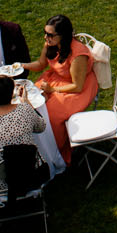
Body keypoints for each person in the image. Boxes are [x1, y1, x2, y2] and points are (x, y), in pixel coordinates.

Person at [28, 14, 99, 164]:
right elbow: (41, 64)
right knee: (30, 103)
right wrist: (19, 66)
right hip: (55, 80)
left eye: (50, 34)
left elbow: (77, 86)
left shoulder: (78, 54)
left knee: (52, 116)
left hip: (76, 89)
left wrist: (52, 90)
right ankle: (34, 147)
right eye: (45, 33)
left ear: (63, 35)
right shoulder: (50, 43)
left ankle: (54, 154)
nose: (46, 37)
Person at [0, 76, 48, 202]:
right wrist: (26, 102)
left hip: (0, 180)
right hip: (30, 174)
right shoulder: (24, 110)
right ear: (11, 94)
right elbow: (41, 127)